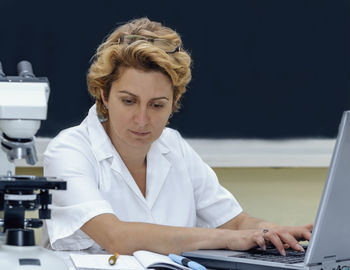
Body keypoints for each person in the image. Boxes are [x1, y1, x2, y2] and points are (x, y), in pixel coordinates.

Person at [44, 17, 312, 255]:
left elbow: (236, 222)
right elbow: (117, 238)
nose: (142, 119)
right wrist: (229, 239)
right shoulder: (68, 152)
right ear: (104, 94)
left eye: (157, 105)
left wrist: (276, 231)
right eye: (128, 101)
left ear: (175, 102)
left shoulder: (174, 146)